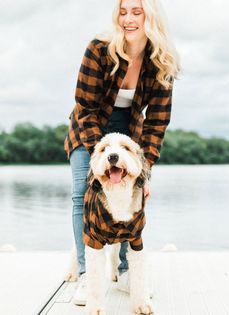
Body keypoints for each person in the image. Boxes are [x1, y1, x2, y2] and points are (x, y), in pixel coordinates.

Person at [64, 0, 180, 306]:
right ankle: (90, 274)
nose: (128, 18)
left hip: (130, 133)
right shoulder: (99, 49)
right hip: (89, 128)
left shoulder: (161, 62)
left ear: (151, 17)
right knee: (82, 194)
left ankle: (127, 270)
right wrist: (97, 157)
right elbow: (85, 108)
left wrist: (145, 172)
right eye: (123, 11)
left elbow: (157, 124)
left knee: (134, 196)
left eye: (136, 12)